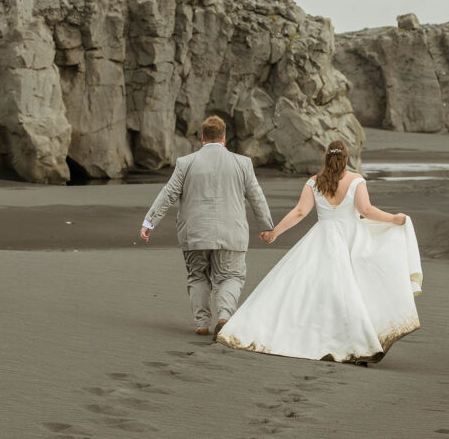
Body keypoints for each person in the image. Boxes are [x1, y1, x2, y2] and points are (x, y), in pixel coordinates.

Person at [216, 140, 422, 363]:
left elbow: (299, 212)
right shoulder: (356, 180)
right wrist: (392, 218)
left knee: (313, 290)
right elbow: (366, 210)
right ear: (345, 159)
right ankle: (355, 342)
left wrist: (275, 232)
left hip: (322, 237)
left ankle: (316, 334)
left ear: (326, 158)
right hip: (350, 238)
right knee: (350, 289)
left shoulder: (314, 182)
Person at [140, 115, 274, 337]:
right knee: (230, 276)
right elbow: (256, 196)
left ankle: (202, 324)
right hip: (232, 233)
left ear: (202, 138)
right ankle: (224, 317)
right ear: (224, 139)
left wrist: (149, 222)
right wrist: (266, 226)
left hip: (195, 233)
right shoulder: (243, 163)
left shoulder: (186, 163)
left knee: (197, 275)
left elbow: (169, 193)